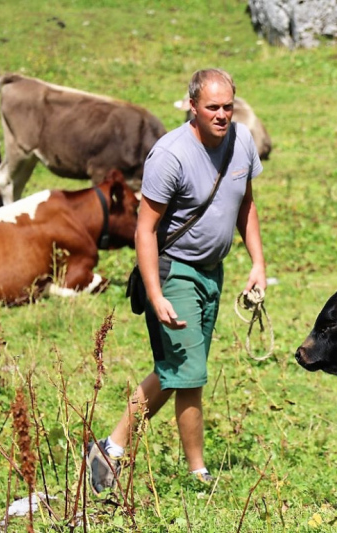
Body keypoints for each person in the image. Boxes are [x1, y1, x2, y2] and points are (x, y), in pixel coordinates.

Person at [87, 68, 266, 493]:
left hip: (213, 272)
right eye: (212, 108)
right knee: (190, 373)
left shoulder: (242, 141)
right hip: (174, 271)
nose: (222, 115)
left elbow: (247, 206)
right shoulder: (171, 155)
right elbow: (144, 229)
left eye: (228, 107)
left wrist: (257, 262)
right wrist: (155, 294)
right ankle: (198, 473)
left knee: (175, 369)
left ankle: (108, 447)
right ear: (193, 107)